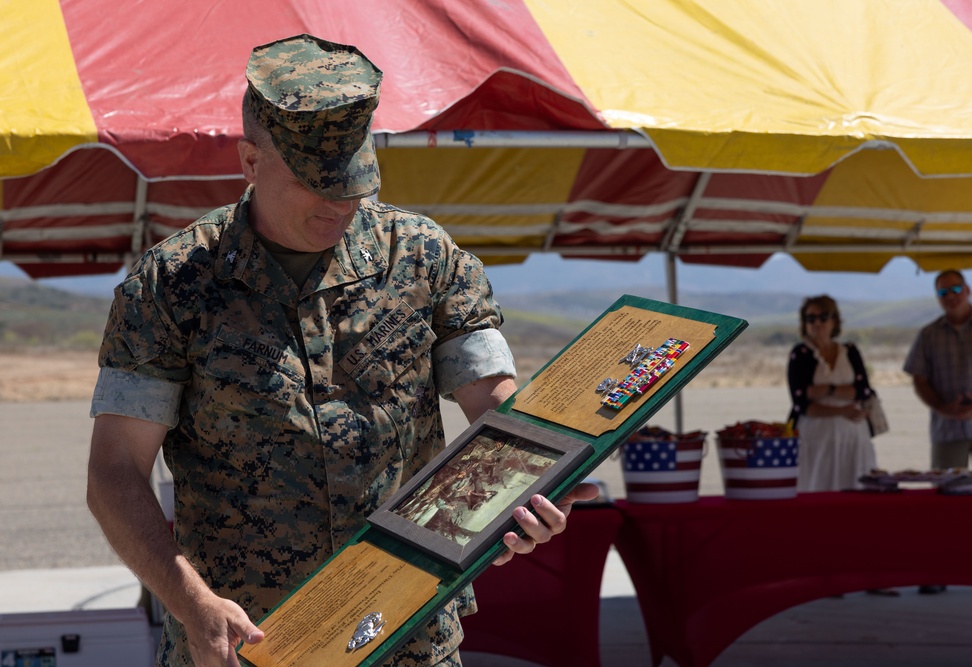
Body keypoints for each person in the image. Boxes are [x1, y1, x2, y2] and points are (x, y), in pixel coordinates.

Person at [86, 35, 596, 667]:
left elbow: (497, 410)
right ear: (250, 161)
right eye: (315, 184)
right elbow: (114, 473)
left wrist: (526, 491)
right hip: (246, 644)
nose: (340, 205)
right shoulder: (173, 283)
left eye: (354, 182)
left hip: (407, 634)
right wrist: (190, 601)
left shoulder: (424, 258)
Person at [903, 269, 972, 595]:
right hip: (948, 430)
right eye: (943, 292)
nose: (951, 296)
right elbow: (919, 378)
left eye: (955, 288)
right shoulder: (928, 335)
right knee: (944, 503)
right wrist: (941, 407)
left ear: (968, 290)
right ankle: (938, 570)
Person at [787, 295, 878, 492]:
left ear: (834, 320)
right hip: (816, 438)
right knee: (816, 489)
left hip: (853, 436)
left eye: (823, 317)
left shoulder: (850, 351)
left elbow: (863, 391)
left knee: (855, 490)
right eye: (810, 318)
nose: (817, 323)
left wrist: (827, 390)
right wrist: (842, 408)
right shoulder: (800, 354)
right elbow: (802, 403)